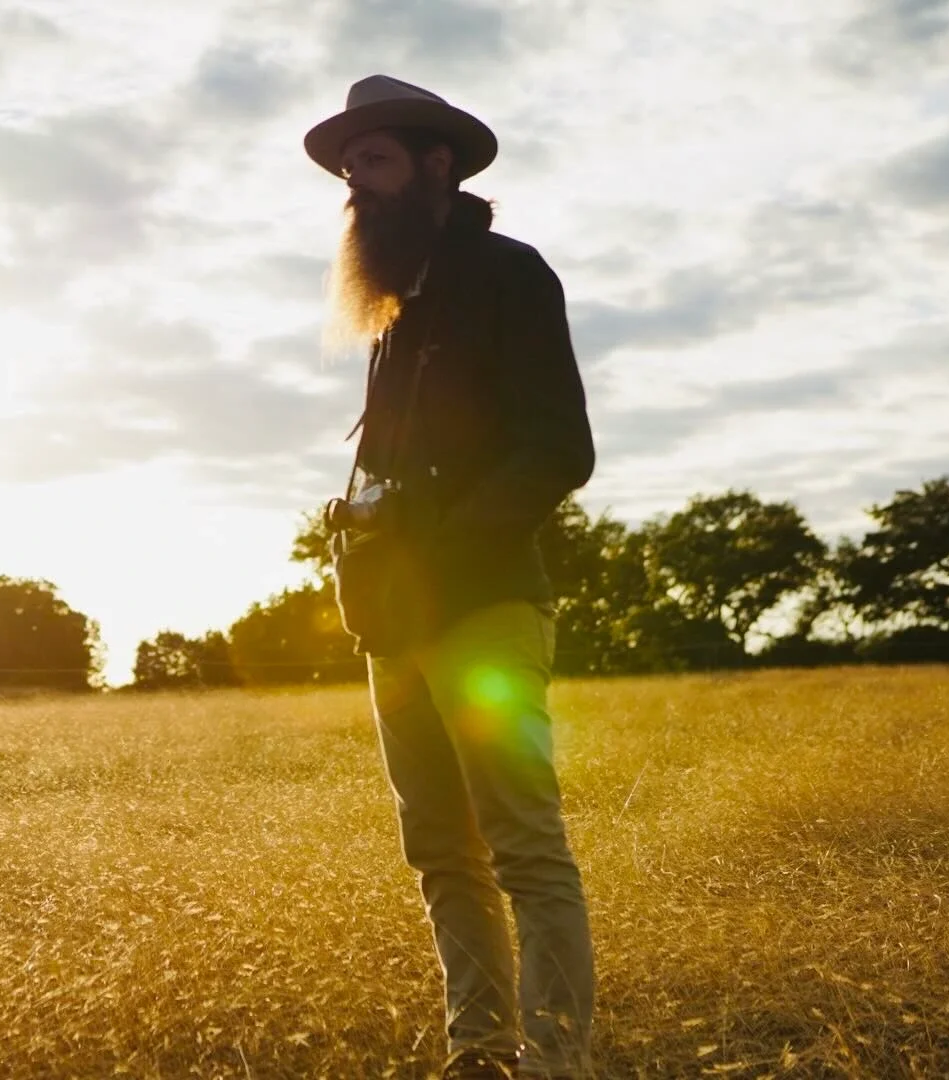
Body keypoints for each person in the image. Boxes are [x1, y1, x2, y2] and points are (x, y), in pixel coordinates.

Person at [303, 76, 598, 1079]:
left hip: (486, 607)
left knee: (524, 849)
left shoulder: (512, 277)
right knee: (439, 854)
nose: (357, 188)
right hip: (399, 618)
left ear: (436, 164)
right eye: (350, 173)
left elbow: (560, 449)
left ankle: (554, 1062)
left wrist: (439, 543)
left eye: (374, 163)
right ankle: (482, 1055)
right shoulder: (394, 311)